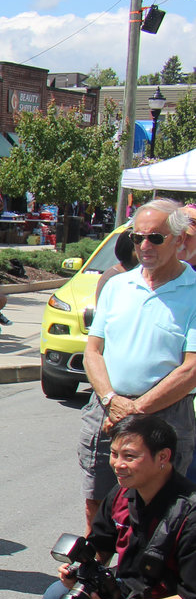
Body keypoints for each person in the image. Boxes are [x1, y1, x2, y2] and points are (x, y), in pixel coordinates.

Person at [44, 413, 196, 599]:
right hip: (136, 593)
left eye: (129, 456)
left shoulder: (190, 514)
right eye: (114, 454)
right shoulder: (123, 492)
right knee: (57, 597)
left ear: (163, 457)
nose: (117, 464)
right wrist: (78, 573)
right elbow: (100, 546)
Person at [80, 199, 196, 535]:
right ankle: (96, 574)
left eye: (155, 238)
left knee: (161, 512)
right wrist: (111, 400)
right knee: (97, 501)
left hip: (164, 415)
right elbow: (93, 351)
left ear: (179, 240)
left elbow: (191, 369)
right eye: (137, 237)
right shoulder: (117, 286)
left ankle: (147, 582)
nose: (144, 246)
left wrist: (134, 411)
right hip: (107, 408)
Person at [93, 230, 139, 304]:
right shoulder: (112, 277)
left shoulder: (138, 274)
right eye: (135, 250)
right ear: (126, 250)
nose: (139, 253)